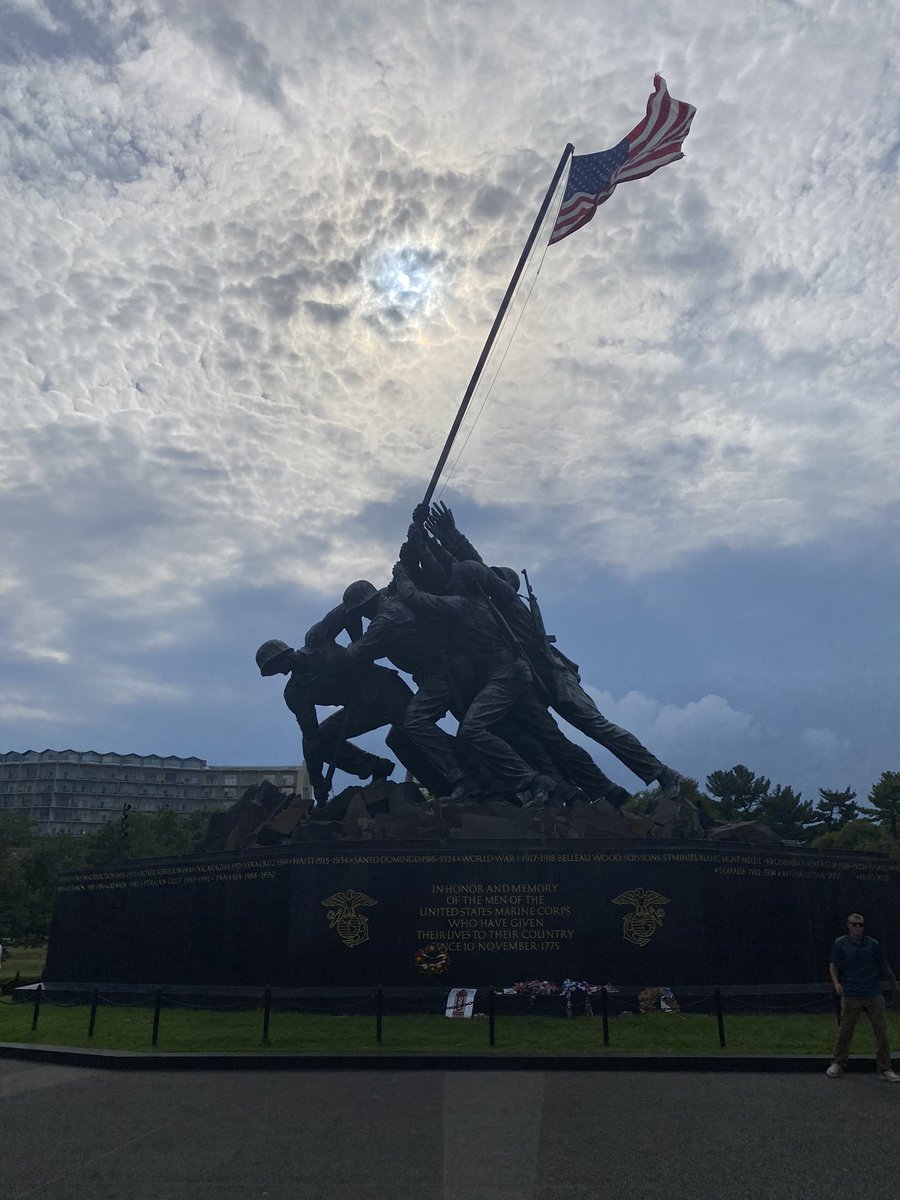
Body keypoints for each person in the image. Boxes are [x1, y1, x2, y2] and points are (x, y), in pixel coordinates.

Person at [423, 502, 684, 803]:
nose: (487, 580)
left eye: (493, 579)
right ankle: (589, 792)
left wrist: (452, 536)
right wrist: (435, 541)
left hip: (552, 673)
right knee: (550, 741)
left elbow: (475, 566)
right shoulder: (489, 608)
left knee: (596, 727)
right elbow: (470, 570)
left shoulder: (508, 601)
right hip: (529, 678)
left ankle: (663, 774)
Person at [827, 912, 900, 1081]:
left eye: (860, 925)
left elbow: (883, 965)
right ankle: (838, 1062)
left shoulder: (873, 944)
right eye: (854, 924)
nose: (858, 928)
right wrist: (836, 983)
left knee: (881, 1030)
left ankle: (885, 1068)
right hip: (851, 992)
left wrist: (893, 984)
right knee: (845, 1030)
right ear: (848, 926)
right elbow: (833, 965)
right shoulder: (840, 944)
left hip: (872, 992)